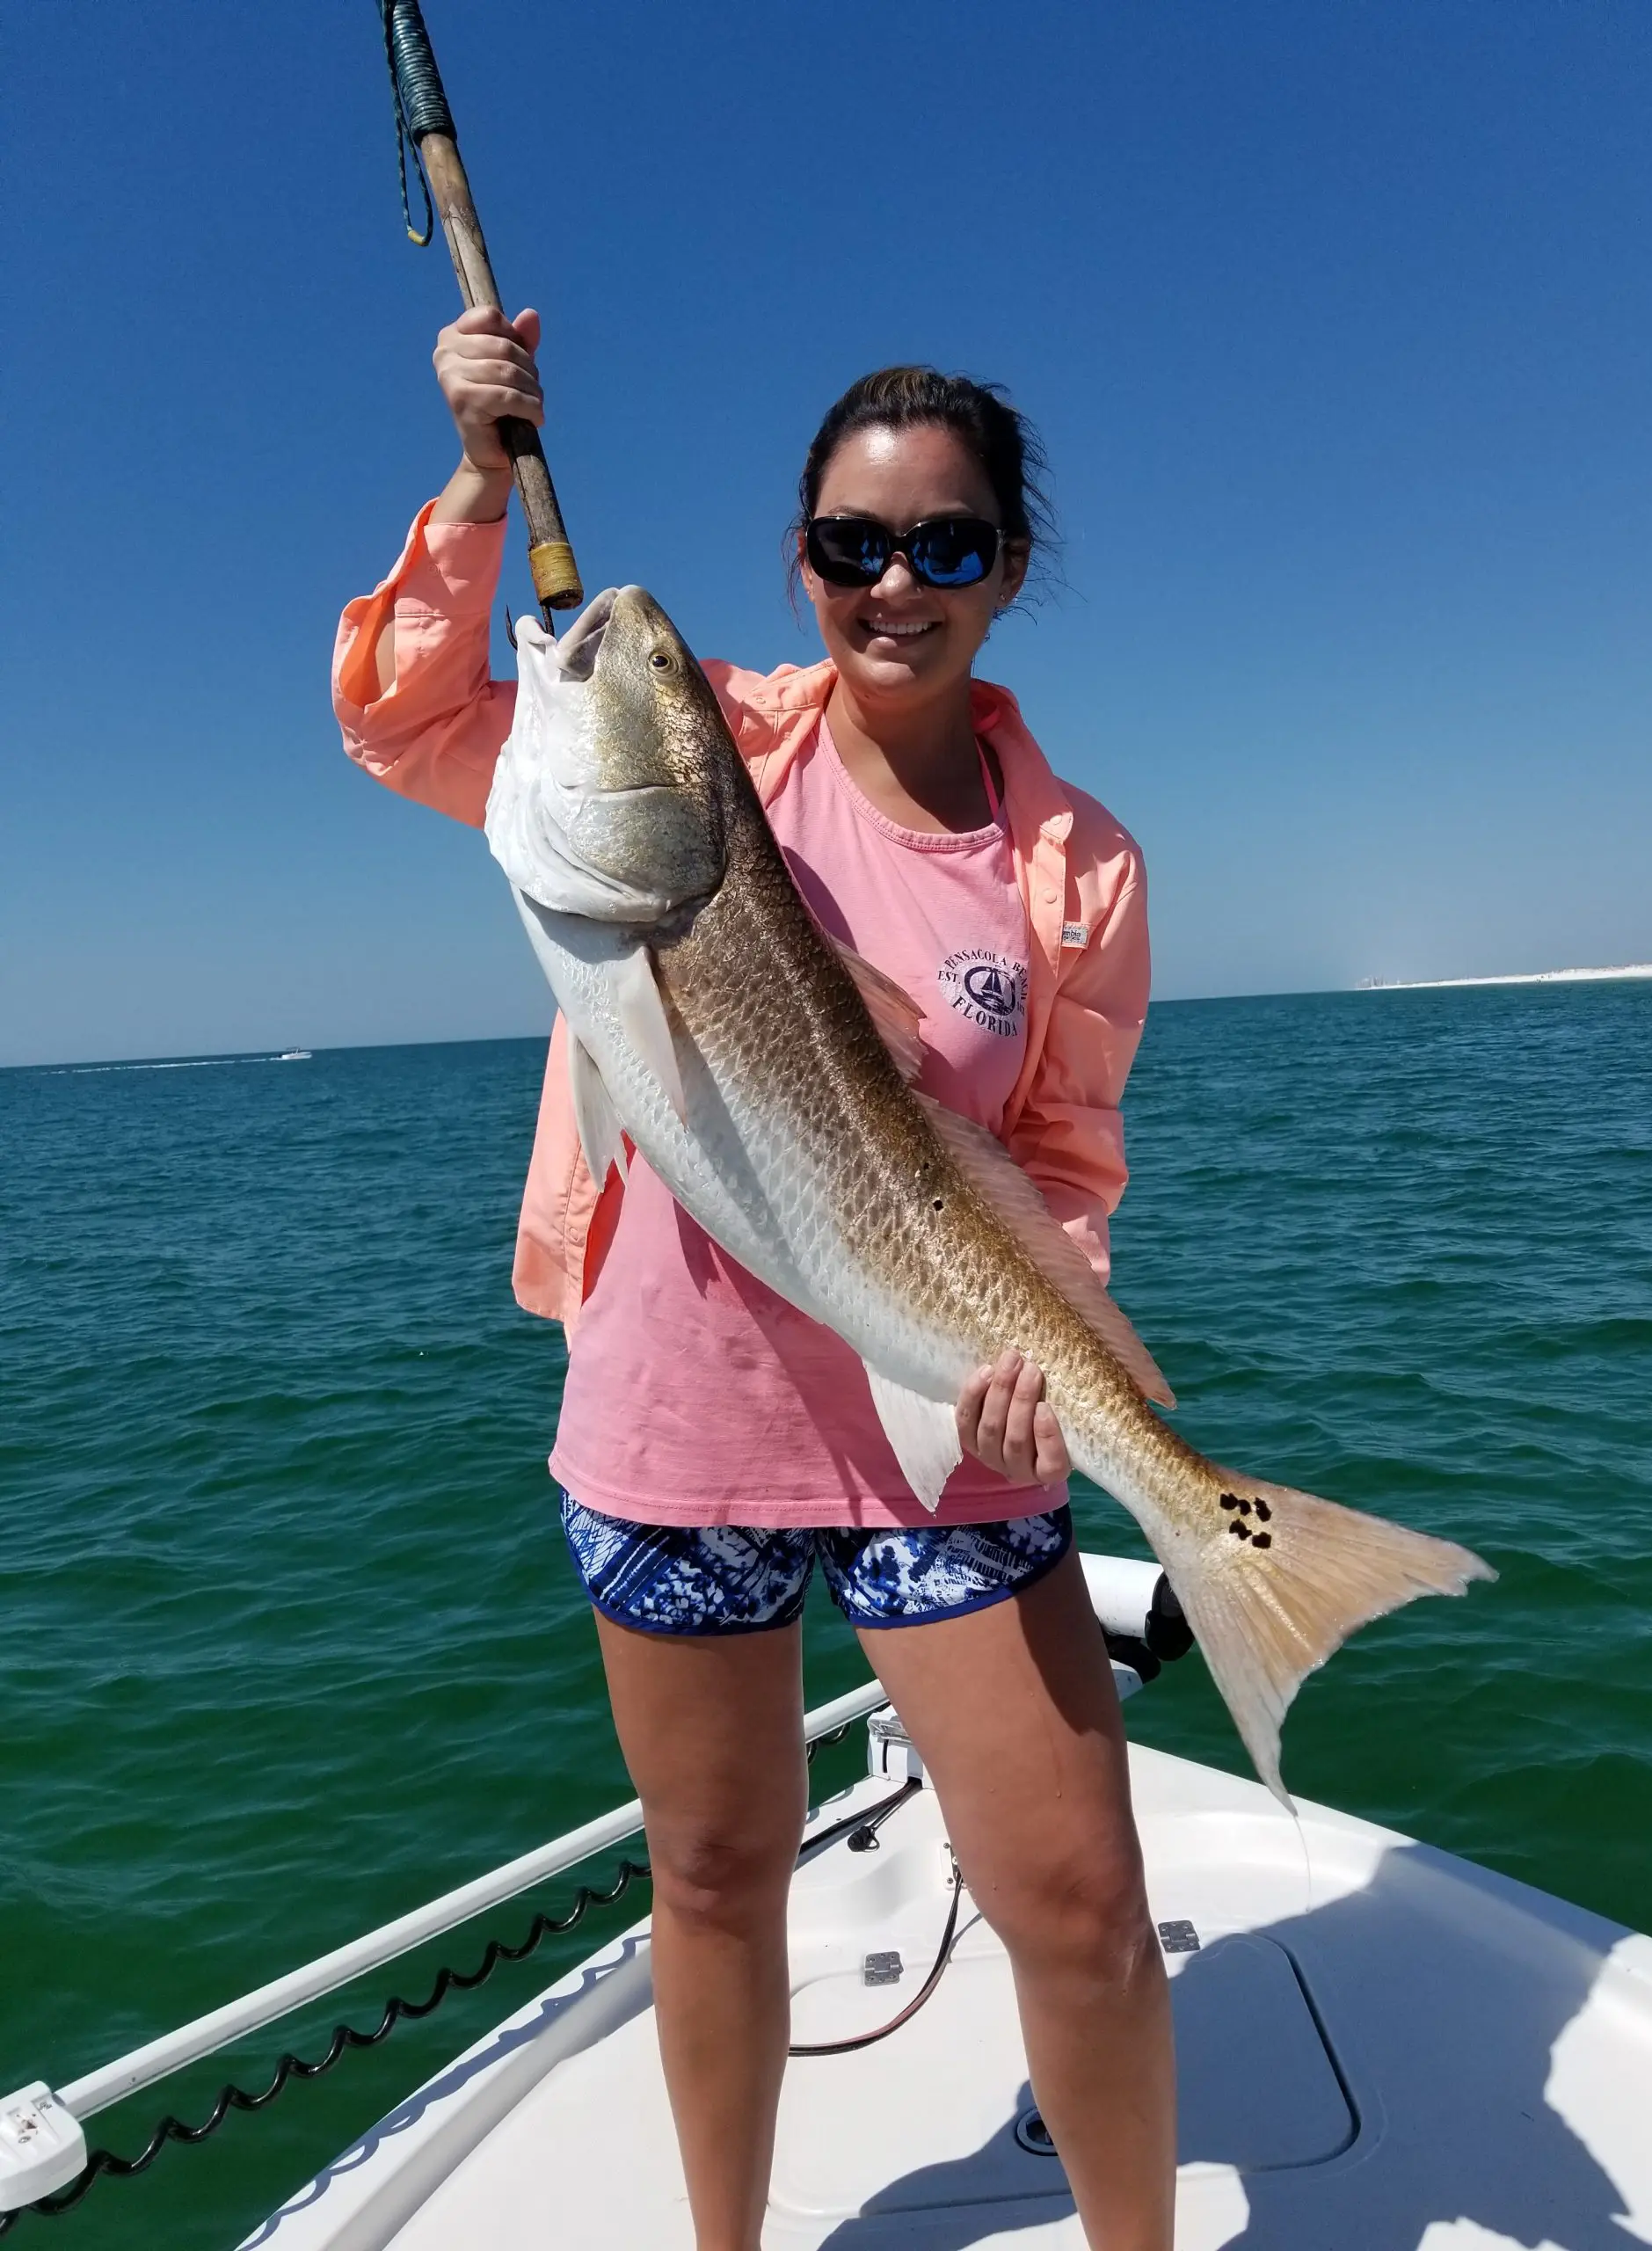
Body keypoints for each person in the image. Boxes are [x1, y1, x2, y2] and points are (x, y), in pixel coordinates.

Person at [332, 305, 1175, 2251]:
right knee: (713, 1881)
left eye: (945, 542)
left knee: (1080, 1906)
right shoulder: (707, 743)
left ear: (1008, 568)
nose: (897, 584)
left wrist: (1052, 1341)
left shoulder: (1079, 864)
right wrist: (476, 488)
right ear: (804, 561)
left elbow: (1062, 1159)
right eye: (855, 544)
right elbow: (407, 717)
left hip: (947, 1427)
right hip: (675, 1427)